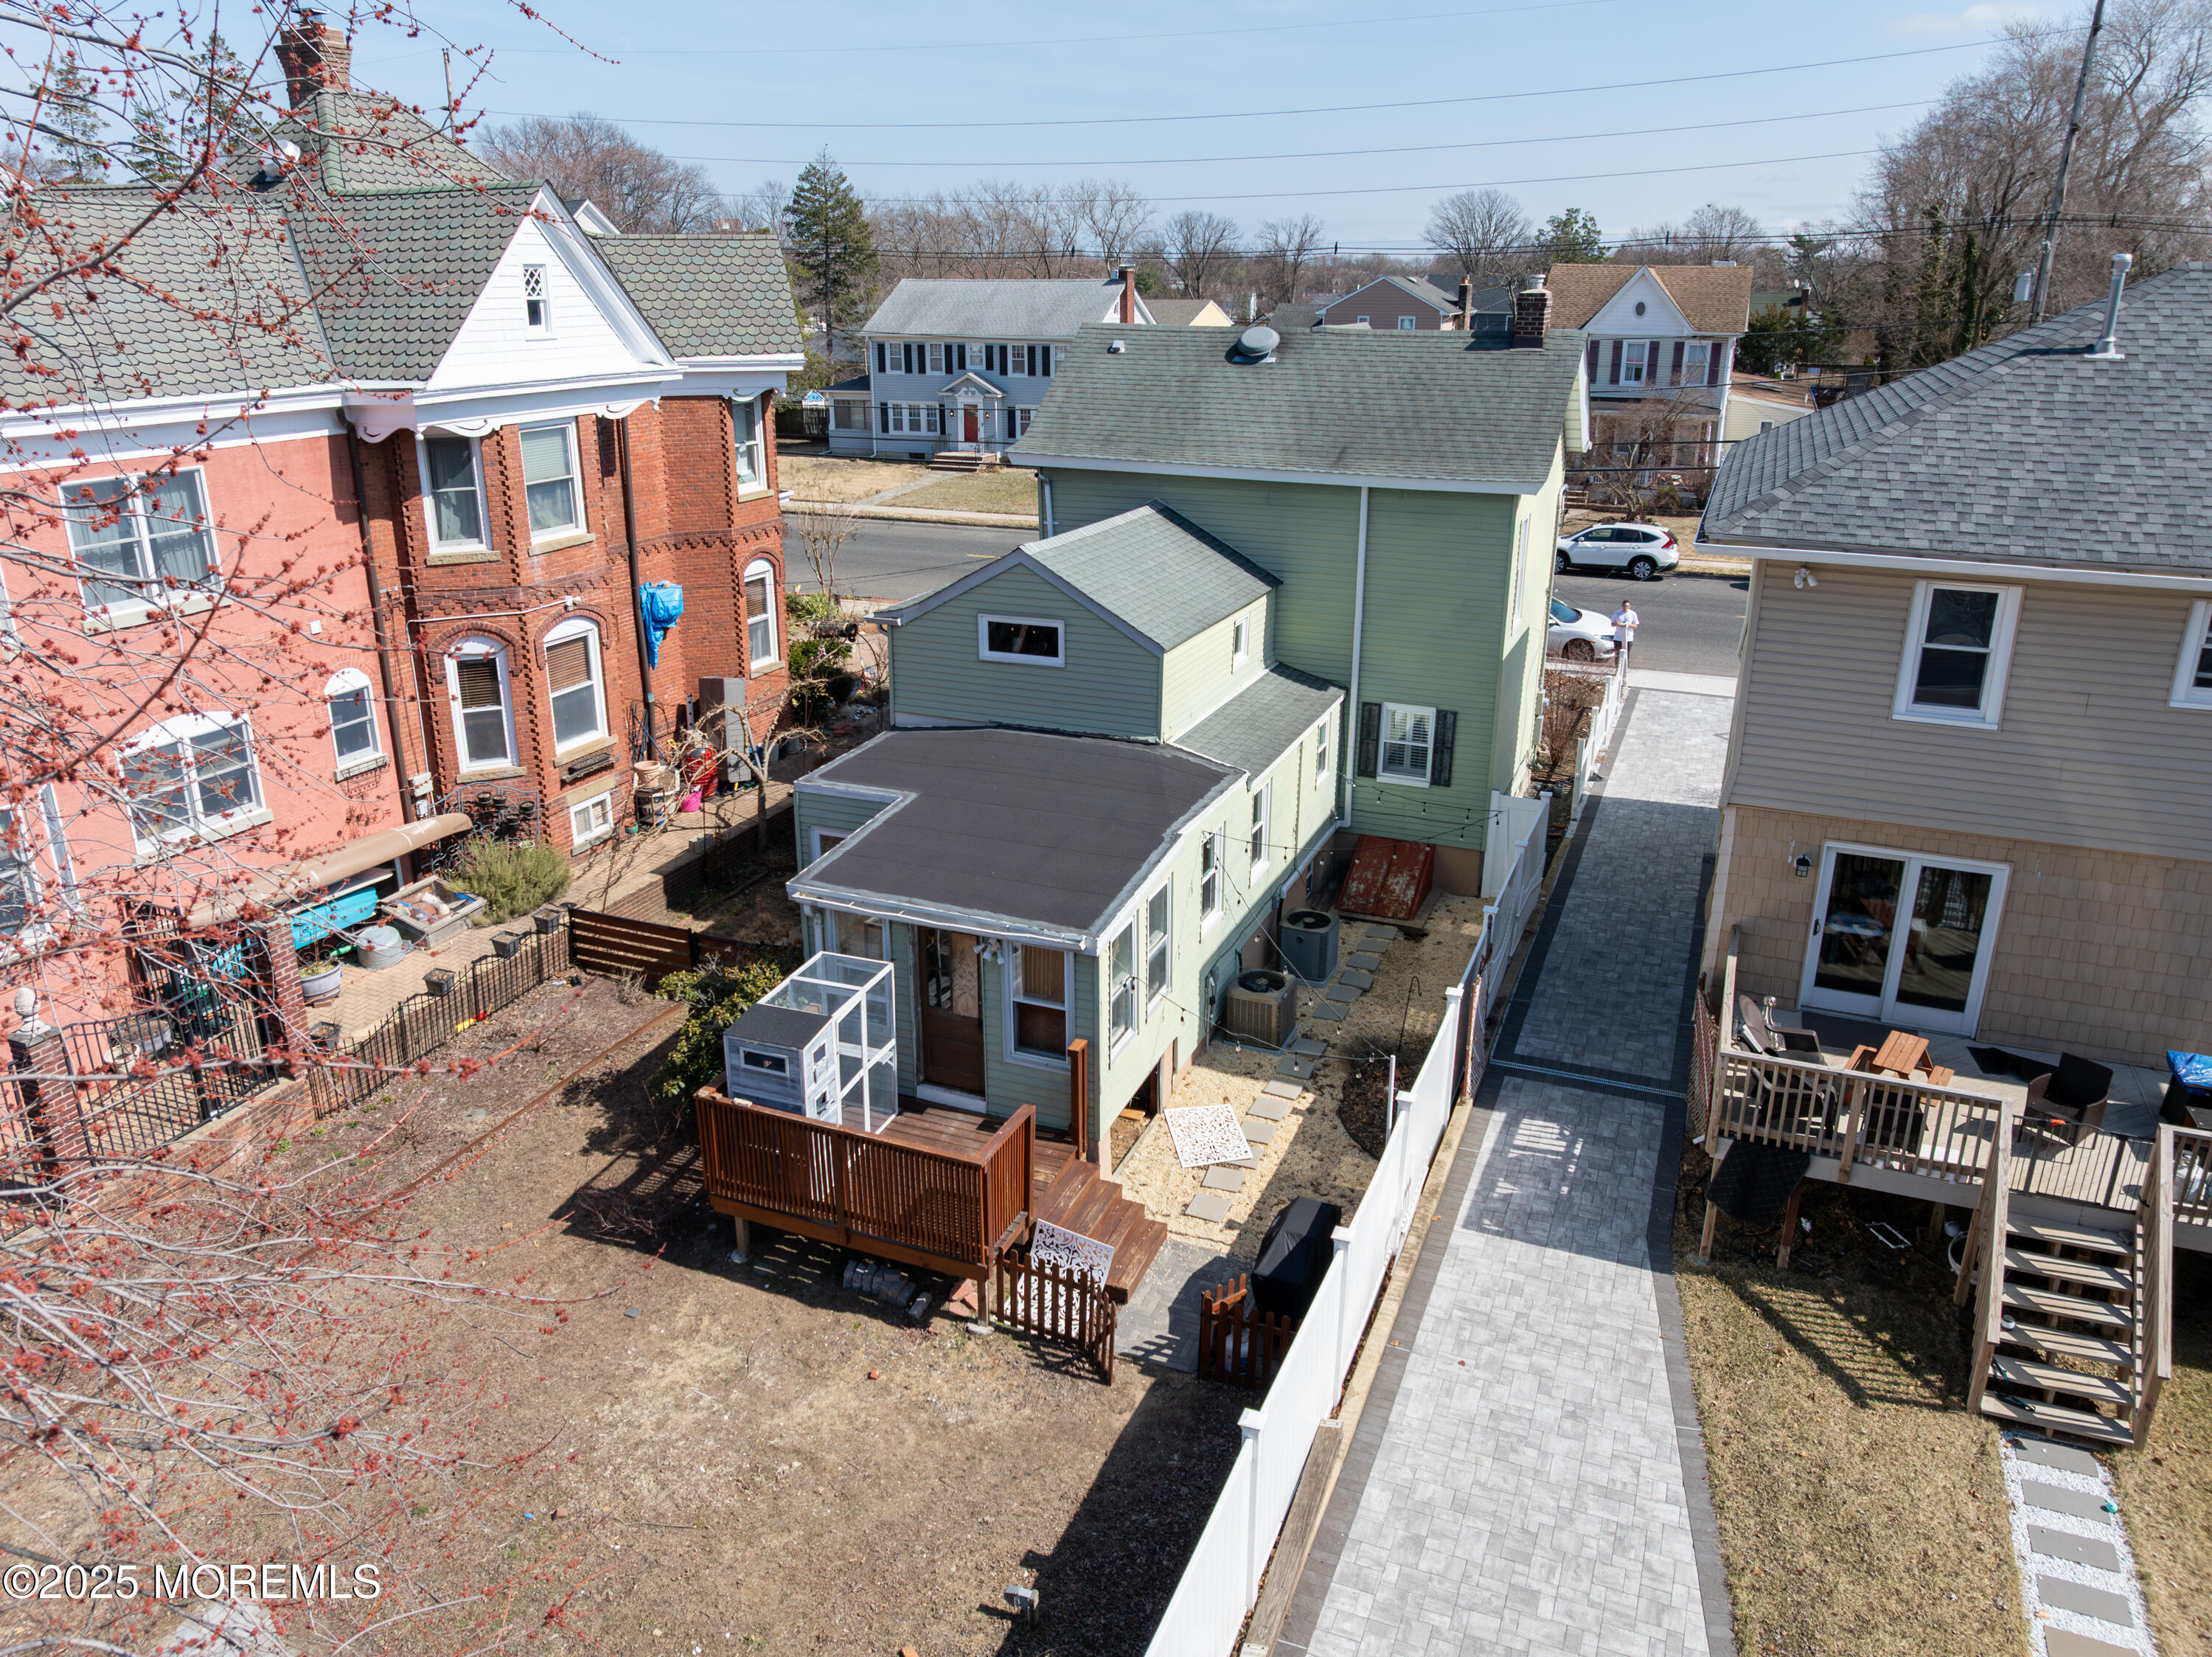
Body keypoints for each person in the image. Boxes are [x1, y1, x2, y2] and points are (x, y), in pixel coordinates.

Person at [1610, 598, 1640, 669]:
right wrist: (1617, 624)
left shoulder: (1632, 614)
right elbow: (1612, 624)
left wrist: (1628, 625)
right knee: (1618, 654)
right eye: (1624, 606)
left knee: (1626, 655)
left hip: (1628, 638)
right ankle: (1618, 668)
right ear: (1621, 606)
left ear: (1629, 607)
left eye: (1627, 606)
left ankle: (1625, 668)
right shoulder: (1617, 613)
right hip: (1618, 637)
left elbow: (1635, 626)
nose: (1625, 608)